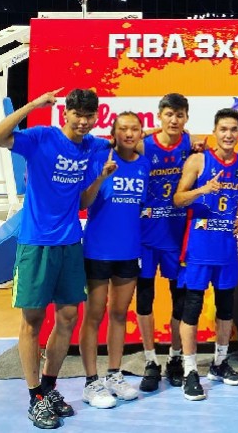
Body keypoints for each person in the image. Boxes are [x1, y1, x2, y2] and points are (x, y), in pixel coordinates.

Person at [0, 88, 110, 430]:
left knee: (68, 316)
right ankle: (34, 397)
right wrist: (34, 104)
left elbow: (83, 202)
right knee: (33, 320)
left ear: (95, 117)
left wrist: (101, 176)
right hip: (36, 243)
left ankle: (49, 387)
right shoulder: (41, 138)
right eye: (78, 114)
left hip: (70, 242)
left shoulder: (93, 147)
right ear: (65, 113)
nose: (83, 121)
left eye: (89, 115)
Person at [173, 108, 238, 401]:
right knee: (192, 308)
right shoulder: (198, 160)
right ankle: (190, 371)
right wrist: (203, 189)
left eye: (233, 129)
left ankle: (219, 363)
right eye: (223, 129)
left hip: (227, 248)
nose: (228, 134)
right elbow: (178, 198)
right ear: (215, 131)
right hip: (199, 248)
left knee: (226, 308)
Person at [78, 113, 149, 408]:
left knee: (119, 314)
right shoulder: (99, 159)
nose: (129, 133)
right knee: (94, 315)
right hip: (98, 251)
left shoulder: (144, 165)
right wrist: (102, 176)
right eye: (123, 129)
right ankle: (91, 382)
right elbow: (83, 202)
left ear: (141, 133)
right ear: (114, 133)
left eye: (134, 129)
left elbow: (142, 204)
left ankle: (114, 375)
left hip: (129, 251)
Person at [137, 93, 193, 392]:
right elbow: (116, 145)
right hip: (145, 238)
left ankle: (174, 357)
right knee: (145, 299)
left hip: (176, 238)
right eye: (169, 114)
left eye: (179, 114)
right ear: (159, 115)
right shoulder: (143, 145)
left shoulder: (190, 144)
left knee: (179, 300)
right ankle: (149, 360)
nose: (174, 119)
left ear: (186, 118)